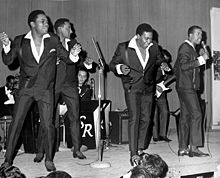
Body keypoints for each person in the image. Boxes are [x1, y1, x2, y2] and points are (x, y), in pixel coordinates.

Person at [0, 10, 82, 172]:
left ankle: (49, 159)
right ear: (32, 24)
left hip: (45, 90)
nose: (47, 24)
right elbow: (8, 60)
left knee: (48, 125)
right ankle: (7, 160)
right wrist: (7, 46)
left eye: (47, 21)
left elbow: (66, 57)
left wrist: (73, 55)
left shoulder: (53, 40)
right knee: (16, 124)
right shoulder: (20, 41)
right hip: (26, 89)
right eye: (43, 21)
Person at [33, 18, 94, 163]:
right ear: (60, 29)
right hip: (53, 84)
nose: (71, 31)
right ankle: (40, 151)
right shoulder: (49, 41)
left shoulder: (73, 43)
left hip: (70, 85)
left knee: (75, 117)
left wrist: (86, 63)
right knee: (47, 120)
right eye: (68, 28)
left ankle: (77, 149)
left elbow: (79, 61)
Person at [109, 23, 170, 166]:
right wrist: (119, 68)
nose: (149, 41)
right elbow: (112, 64)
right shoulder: (123, 47)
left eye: (151, 38)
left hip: (148, 88)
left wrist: (163, 65)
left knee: (146, 119)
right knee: (134, 118)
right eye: (146, 38)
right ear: (137, 36)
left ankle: (141, 148)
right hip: (132, 87)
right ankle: (133, 153)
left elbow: (159, 59)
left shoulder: (154, 47)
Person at [174, 25, 209, 157]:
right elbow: (183, 66)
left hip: (184, 86)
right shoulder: (185, 47)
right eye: (198, 34)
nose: (200, 37)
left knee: (185, 116)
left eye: (201, 35)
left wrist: (198, 57)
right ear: (190, 35)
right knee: (197, 114)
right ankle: (194, 148)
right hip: (187, 87)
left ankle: (183, 148)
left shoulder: (191, 49)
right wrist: (200, 60)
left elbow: (178, 66)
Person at [152, 49, 173, 142]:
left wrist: (164, 84)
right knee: (154, 113)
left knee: (165, 112)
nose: (166, 62)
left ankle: (163, 135)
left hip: (162, 92)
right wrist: (155, 87)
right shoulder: (153, 65)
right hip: (152, 91)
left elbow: (171, 76)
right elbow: (147, 78)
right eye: (165, 60)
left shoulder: (167, 67)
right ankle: (155, 136)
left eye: (167, 61)